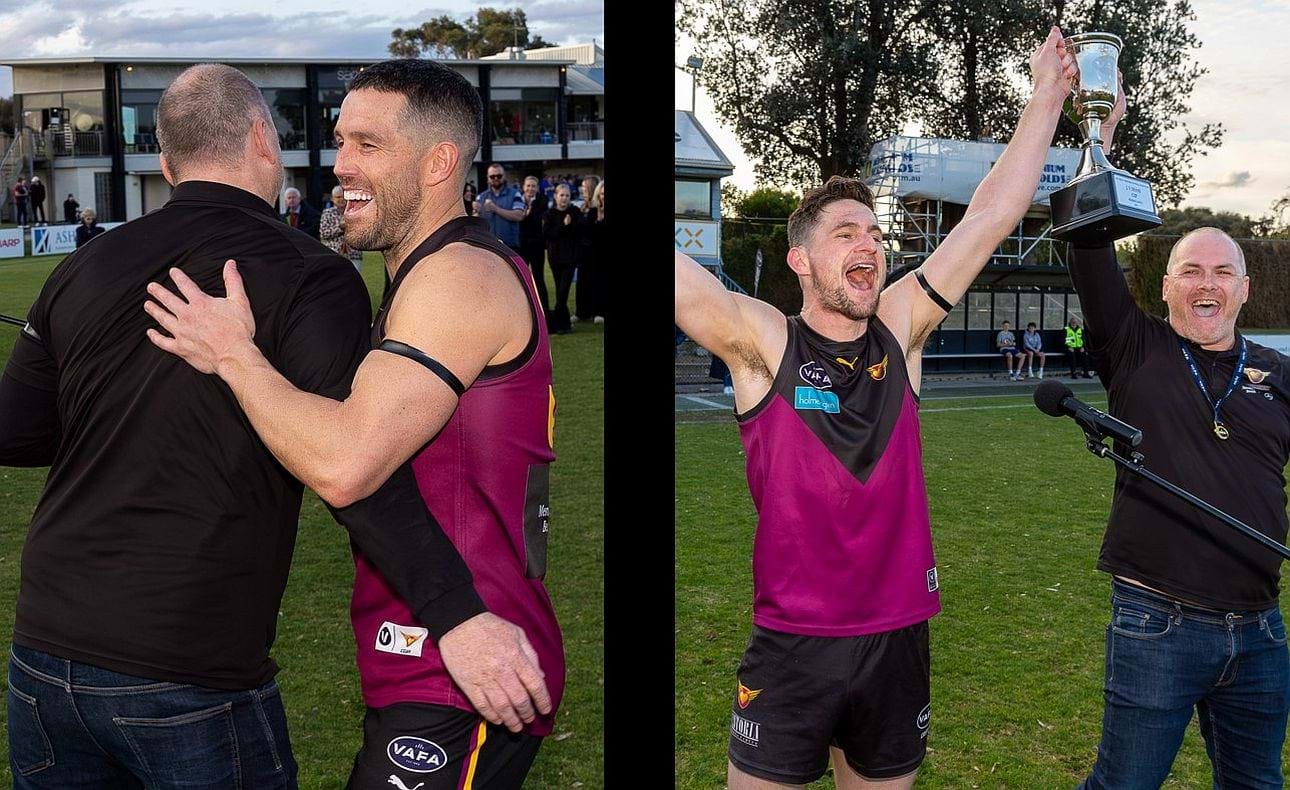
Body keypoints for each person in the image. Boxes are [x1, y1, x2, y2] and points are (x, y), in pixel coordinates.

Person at [0, 63, 542, 789]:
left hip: (44, 655)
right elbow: (357, 471)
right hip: (183, 665)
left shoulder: (87, 263)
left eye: (365, 144)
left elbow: (15, 432)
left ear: (165, 160)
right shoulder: (309, 273)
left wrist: (221, 361)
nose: (342, 162)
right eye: (340, 141)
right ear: (264, 141)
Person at [674, 28, 1075, 789]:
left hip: (898, 638)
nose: (871, 244)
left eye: (875, 232)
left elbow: (989, 217)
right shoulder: (763, 342)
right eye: (846, 233)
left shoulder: (901, 326)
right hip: (792, 644)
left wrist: (1047, 97)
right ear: (800, 259)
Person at [1070, 82, 1290, 790]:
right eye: (1191, 269)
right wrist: (1097, 138)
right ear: (1164, 288)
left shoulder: (1278, 371)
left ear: (1244, 290)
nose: (1208, 281)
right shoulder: (1135, 349)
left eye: (1223, 271)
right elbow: (1089, 245)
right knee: (1123, 784)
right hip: (1156, 623)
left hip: (1261, 629)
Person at [543, 183, 579, 334]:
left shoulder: (574, 212)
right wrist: (564, 226)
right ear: (556, 196)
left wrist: (569, 226)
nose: (564, 198)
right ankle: (564, 324)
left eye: (567, 196)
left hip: (570, 258)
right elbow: (548, 236)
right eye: (562, 195)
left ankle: (558, 324)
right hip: (555, 257)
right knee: (559, 290)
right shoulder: (549, 214)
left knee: (563, 292)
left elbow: (578, 233)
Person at [475, 162, 525, 254]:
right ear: (488, 178)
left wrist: (496, 209)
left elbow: (519, 215)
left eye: (499, 176)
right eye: (492, 176)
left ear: (504, 176)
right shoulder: (481, 197)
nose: (496, 178)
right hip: (488, 246)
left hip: (510, 246)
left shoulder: (515, 194)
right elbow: (476, 222)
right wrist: (476, 212)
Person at [518, 175, 550, 315]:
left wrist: (527, 214)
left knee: (538, 278)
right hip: (521, 244)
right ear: (523, 187)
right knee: (520, 279)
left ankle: (545, 312)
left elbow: (538, 220)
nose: (530, 188)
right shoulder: (517, 200)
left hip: (536, 244)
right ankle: (524, 313)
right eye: (528, 186)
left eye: (533, 186)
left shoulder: (543, 201)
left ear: (537, 188)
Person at [319, 184, 364, 272]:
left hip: (353, 254)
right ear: (332, 199)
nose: (341, 199)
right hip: (334, 254)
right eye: (338, 197)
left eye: (343, 196)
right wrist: (340, 228)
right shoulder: (327, 213)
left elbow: (362, 231)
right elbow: (323, 233)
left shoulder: (355, 212)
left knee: (355, 281)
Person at [585, 180, 605, 325]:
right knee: (592, 282)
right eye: (602, 193)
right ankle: (590, 312)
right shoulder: (592, 212)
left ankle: (601, 312)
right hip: (592, 254)